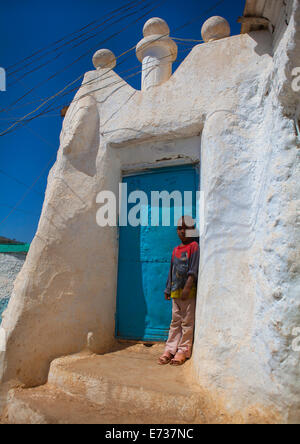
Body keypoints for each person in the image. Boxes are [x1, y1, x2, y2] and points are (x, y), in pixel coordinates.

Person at [158, 216, 199, 366]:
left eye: (186, 228)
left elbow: (193, 269)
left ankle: (183, 350)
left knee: (187, 322)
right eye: (179, 228)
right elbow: (171, 271)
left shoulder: (194, 247)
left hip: (188, 293)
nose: (183, 231)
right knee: (175, 321)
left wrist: (187, 287)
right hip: (175, 292)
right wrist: (168, 288)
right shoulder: (176, 250)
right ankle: (170, 349)